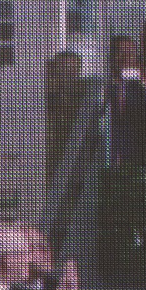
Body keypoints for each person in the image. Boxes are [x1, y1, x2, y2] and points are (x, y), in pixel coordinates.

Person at [104, 35, 146, 170]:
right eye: (121, 52)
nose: (126, 58)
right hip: (108, 153)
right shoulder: (104, 86)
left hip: (138, 154)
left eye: (131, 53)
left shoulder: (141, 85)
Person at [45, 51, 87, 188]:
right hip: (46, 155)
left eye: (74, 69)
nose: (69, 74)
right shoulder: (44, 93)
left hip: (69, 155)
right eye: (64, 68)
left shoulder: (81, 95)